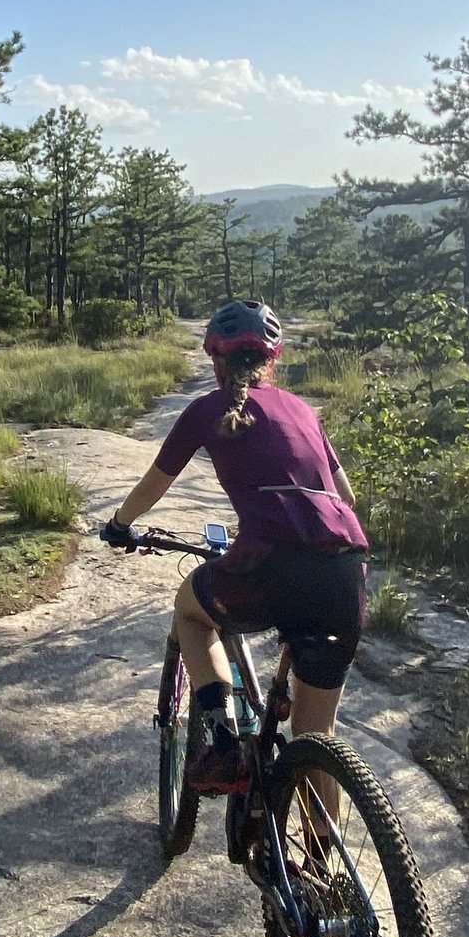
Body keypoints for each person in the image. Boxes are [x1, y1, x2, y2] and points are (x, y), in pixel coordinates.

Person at [101, 300, 368, 793]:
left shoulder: (208, 409)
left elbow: (153, 485)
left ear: (215, 358)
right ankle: (315, 843)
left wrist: (120, 524)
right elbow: (346, 496)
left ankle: (224, 743)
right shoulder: (302, 409)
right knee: (316, 736)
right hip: (344, 568)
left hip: (268, 564)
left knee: (190, 610)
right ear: (273, 358)